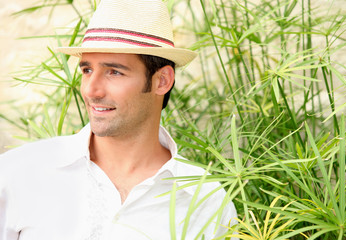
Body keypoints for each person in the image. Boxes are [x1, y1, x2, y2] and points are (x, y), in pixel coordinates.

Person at [0, 0, 237, 239]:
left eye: (114, 72)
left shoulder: (206, 201)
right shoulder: (18, 174)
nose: (91, 90)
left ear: (162, 80)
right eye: (87, 70)